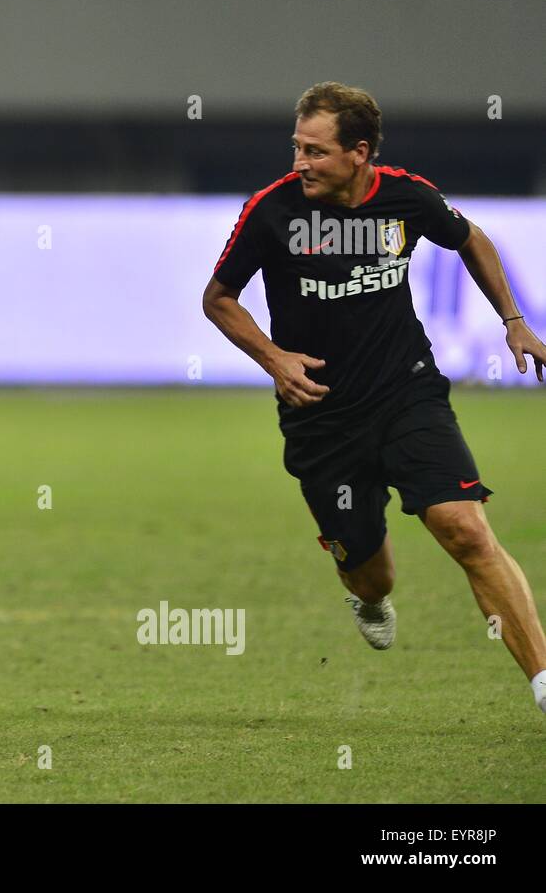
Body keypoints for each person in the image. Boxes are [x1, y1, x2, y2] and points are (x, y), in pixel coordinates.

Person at [202, 81, 546, 713]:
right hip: (321, 414)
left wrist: (514, 319)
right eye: (296, 148)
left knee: (465, 530)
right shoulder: (272, 212)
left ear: (358, 153)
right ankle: (367, 594)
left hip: (405, 391)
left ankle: (543, 683)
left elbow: (471, 238)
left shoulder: (406, 197)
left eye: (314, 151)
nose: (299, 163)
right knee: (370, 569)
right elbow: (217, 298)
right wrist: (274, 358)